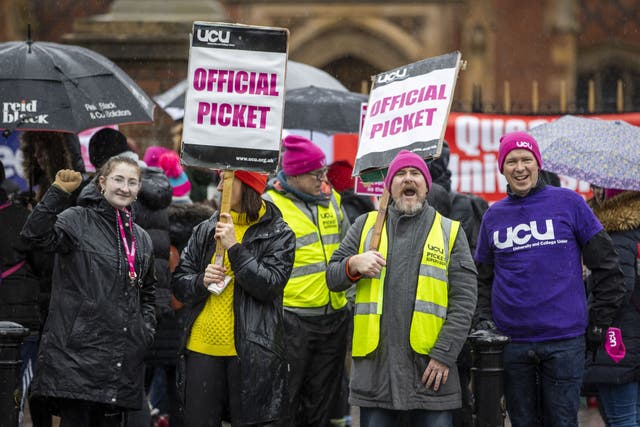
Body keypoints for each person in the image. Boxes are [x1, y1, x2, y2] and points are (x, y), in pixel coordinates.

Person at [473, 131, 626, 426]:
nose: (520, 167)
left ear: (538, 164)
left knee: (562, 422)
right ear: (502, 168)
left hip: (564, 342)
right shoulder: (493, 216)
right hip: (512, 344)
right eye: (512, 161)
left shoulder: (570, 203)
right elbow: (482, 279)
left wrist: (597, 321)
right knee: (523, 422)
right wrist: (484, 321)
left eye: (526, 159)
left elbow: (608, 265)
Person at [326, 149, 478, 427]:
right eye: (400, 174)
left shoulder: (450, 231)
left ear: (426, 185)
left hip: (431, 376)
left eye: (415, 173)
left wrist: (444, 355)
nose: (408, 179)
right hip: (376, 378)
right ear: (390, 186)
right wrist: (353, 264)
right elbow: (333, 278)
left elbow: (464, 302)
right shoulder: (365, 226)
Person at [20, 156, 157, 425]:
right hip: (77, 358)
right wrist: (57, 193)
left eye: (132, 182)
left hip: (118, 360)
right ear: (102, 182)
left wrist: (145, 330)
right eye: (118, 179)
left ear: (139, 189)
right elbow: (33, 235)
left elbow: (149, 291)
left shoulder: (141, 237)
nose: (124, 188)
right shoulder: (77, 219)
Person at [172, 170, 295, 426]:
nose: (218, 188)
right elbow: (179, 285)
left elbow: (269, 286)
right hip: (202, 348)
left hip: (251, 354)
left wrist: (235, 249)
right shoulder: (205, 228)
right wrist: (200, 281)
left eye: (225, 181)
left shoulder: (279, 233)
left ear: (247, 185)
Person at [262, 134, 352, 426]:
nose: (323, 179)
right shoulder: (269, 205)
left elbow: (347, 246)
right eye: (316, 173)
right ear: (294, 173)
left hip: (334, 317)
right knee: (286, 400)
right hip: (292, 320)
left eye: (324, 172)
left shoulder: (331, 199)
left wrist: (348, 299)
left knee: (322, 403)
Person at [583, 188, 640, 426]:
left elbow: (617, 287)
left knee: (622, 419)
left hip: (618, 340)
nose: (595, 191)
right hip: (629, 337)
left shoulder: (616, 233)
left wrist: (594, 324)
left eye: (601, 187)